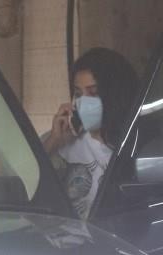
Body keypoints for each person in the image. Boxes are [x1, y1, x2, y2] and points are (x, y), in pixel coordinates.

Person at [43, 47, 138, 218]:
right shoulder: (59, 141)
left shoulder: (134, 144)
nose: (84, 102)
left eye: (93, 93)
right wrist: (54, 141)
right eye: (78, 94)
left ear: (116, 95)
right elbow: (24, 183)